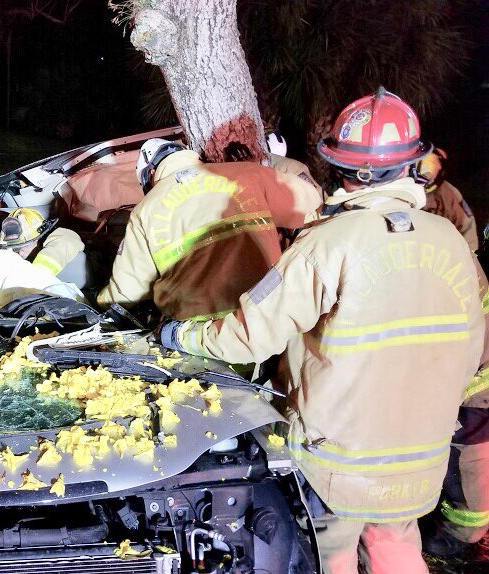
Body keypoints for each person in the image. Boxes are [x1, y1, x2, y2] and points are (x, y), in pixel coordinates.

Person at [158, 88, 484, 574]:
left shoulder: (327, 244)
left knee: (328, 553)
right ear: (410, 166)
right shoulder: (453, 245)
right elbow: (472, 350)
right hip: (421, 456)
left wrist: (182, 338)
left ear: (343, 169)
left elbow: (251, 334)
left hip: (337, 461)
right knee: (396, 545)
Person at [96, 138, 321, 320]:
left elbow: (129, 290)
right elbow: (312, 201)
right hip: (263, 316)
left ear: (151, 174)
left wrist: (100, 302)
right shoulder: (247, 174)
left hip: (199, 331)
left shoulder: (145, 210)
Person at [423, 267, 489, 558]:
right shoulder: (445, 246)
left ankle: (463, 531)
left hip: (474, 383)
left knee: (466, 459)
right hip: (470, 371)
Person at [417, 148, 479, 252]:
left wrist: (471, 258)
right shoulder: (397, 185)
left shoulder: (448, 194)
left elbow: (467, 229)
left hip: (437, 251)